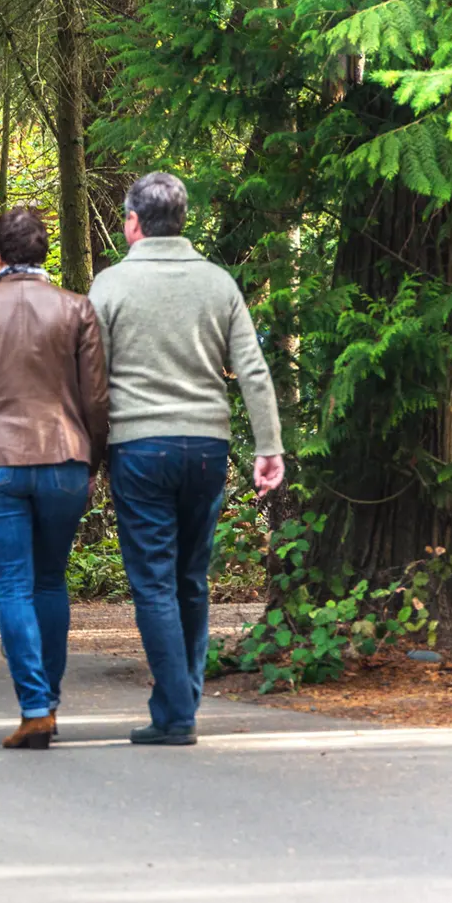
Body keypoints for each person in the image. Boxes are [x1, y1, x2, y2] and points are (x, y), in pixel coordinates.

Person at [89, 171, 285, 746]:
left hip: (139, 448)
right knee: (191, 577)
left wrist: (89, 452)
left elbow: (90, 378)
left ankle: (176, 713)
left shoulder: (110, 286)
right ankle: (183, 697)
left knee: (152, 582)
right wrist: (268, 446)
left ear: (132, 222)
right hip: (206, 448)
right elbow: (251, 368)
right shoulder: (217, 283)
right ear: (182, 220)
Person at [0, 209, 111, 750]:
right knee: (50, 580)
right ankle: (51, 701)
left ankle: (34, 706)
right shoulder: (76, 308)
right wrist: (92, 461)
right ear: (44, 254)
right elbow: (96, 398)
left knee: (12, 585)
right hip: (64, 457)